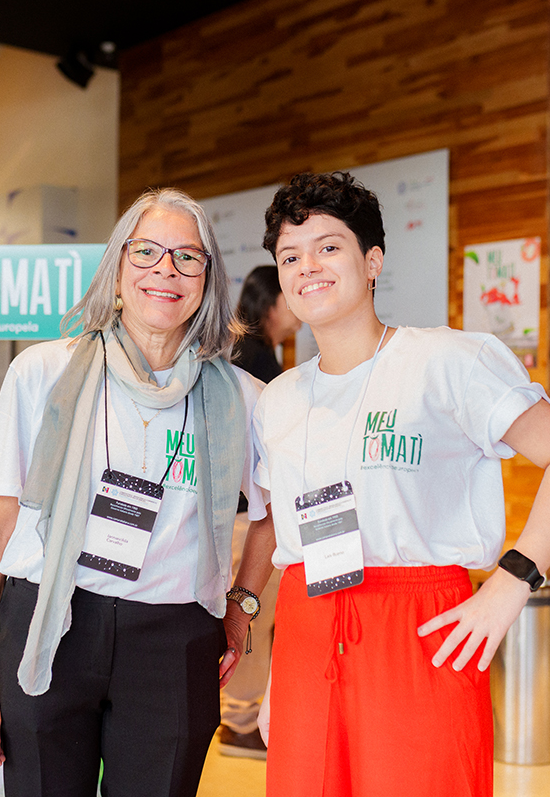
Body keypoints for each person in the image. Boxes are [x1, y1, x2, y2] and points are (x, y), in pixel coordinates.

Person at [222, 172, 550, 796]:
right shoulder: (279, 399)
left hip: (421, 627)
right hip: (307, 627)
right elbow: (276, 524)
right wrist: (249, 625)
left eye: (328, 247)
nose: (307, 267)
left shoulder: (448, 360)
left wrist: (510, 585)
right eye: (290, 256)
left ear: (372, 262)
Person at [0, 189, 270, 797]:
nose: (166, 270)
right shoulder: (43, 372)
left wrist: (240, 608)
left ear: (208, 278)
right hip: (48, 623)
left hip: (174, 638)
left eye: (187, 257)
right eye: (146, 251)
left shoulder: (242, 397)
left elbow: (271, 515)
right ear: (118, 266)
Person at [218, 265, 301, 759]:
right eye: (290, 295)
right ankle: (240, 720)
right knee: (248, 617)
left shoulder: (245, 353)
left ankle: (241, 716)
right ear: (270, 302)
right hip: (249, 519)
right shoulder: (254, 362)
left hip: (245, 516)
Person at [231, 265, 301, 384]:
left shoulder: (251, 351)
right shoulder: (256, 359)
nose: (297, 304)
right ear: (267, 302)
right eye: (289, 296)